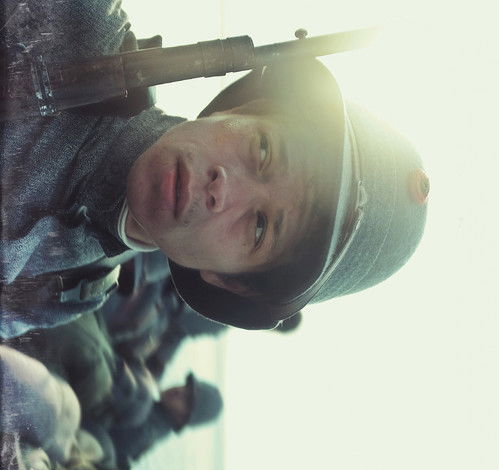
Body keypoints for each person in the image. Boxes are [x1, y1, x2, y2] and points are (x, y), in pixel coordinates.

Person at [1, 0, 429, 339]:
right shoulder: (73, 24)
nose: (222, 189)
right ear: (244, 108)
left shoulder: (75, 290)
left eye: (259, 228)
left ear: (230, 282)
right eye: (264, 150)